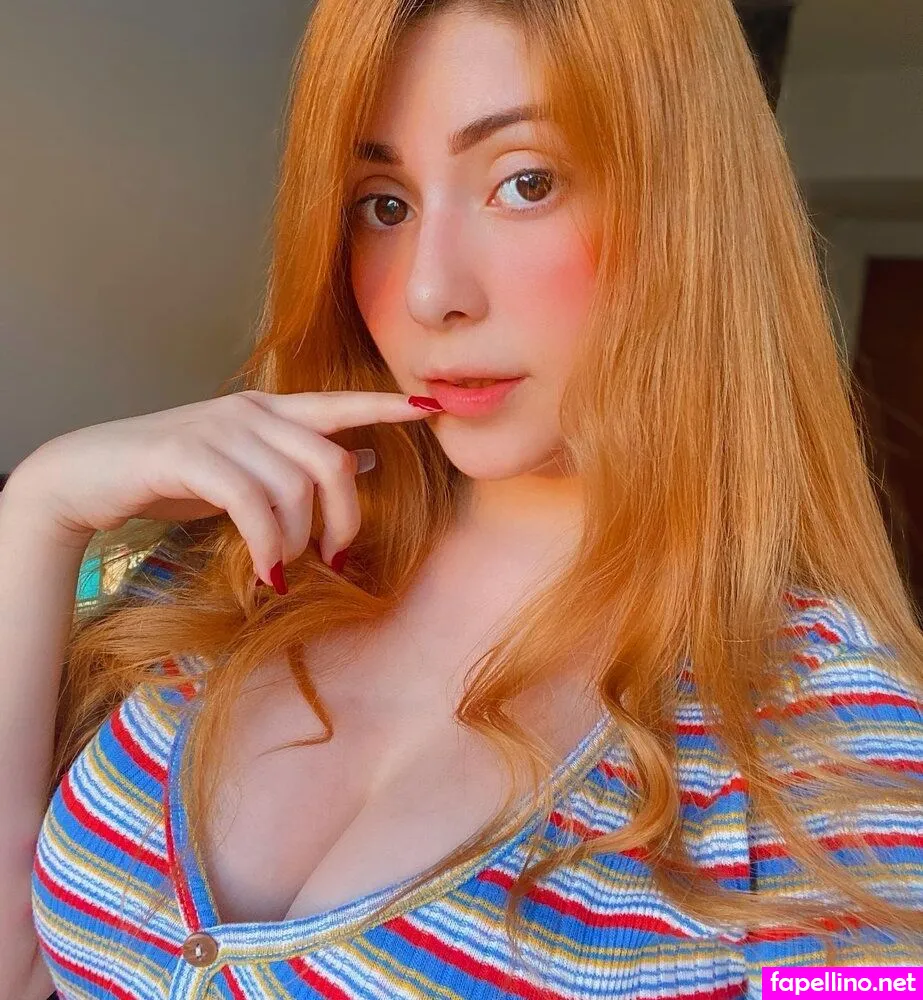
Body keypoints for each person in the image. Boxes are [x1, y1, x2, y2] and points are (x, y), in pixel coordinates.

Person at [2, 0, 922, 997]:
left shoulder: (820, 727)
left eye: (525, 183)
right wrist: (44, 509)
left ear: (688, 210)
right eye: (382, 203)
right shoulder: (245, 559)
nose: (428, 291)